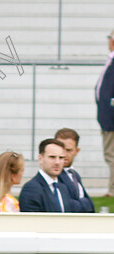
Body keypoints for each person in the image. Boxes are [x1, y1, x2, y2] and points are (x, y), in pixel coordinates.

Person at [18, 138, 84, 213]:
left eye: (61, 157)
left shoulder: (63, 188)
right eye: (52, 157)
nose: (57, 162)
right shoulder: (31, 189)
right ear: (40, 158)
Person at [54, 128, 95, 213]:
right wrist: (84, 203)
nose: (64, 154)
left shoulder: (74, 174)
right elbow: (69, 205)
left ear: (77, 151)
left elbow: (90, 205)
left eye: (68, 150)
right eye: (61, 149)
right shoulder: (53, 175)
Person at [96, 29, 114, 197]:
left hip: (111, 119)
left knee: (111, 155)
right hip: (107, 118)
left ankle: (113, 190)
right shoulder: (111, 60)